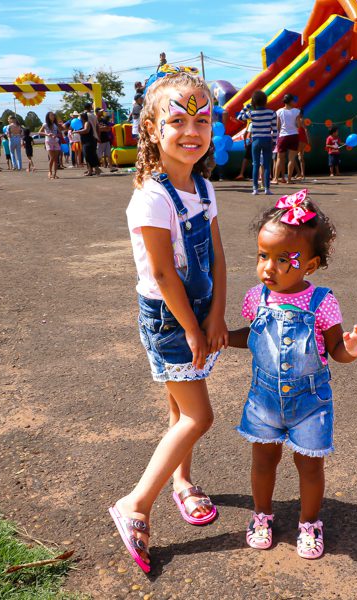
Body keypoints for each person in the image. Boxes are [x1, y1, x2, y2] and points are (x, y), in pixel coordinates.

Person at [112, 71, 227, 574]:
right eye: (177, 120)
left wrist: (217, 313)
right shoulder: (151, 197)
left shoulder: (203, 186)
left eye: (202, 119)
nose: (192, 131)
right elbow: (161, 273)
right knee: (199, 417)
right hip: (170, 317)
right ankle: (134, 503)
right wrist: (193, 328)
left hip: (198, 312)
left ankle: (182, 482)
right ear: (152, 130)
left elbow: (218, 255)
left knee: (180, 407)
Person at [226, 190, 357, 559]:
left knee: (309, 467)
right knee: (263, 462)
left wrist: (351, 351)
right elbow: (255, 336)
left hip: (311, 403)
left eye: (283, 259)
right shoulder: (254, 298)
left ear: (310, 264)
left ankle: (309, 522)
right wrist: (225, 338)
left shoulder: (322, 301)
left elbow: (335, 350)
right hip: (263, 400)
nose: (268, 268)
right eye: (263, 256)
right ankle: (261, 515)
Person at [237, 90, 276, 195]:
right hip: (267, 140)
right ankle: (267, 189)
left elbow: (239, 117)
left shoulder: (251, 113)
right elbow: (275, 129)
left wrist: (247, 106)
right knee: (267, 165)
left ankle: (255, 189)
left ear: (254, 101)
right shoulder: (271, 113)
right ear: (265, 101)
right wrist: (275, 142)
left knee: (256, 164)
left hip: (255, 140)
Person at [273, 94, 302, 184]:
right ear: (290, 101)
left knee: (279, 158)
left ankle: (276, 179)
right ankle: (289, 179)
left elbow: (278, 126)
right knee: (292, 159)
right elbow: (298, 125)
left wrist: (281, 131)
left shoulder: (279, 111)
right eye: (293, 100)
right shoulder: (297, 111)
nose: (294, 102)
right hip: (294, 135)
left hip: (283, 136)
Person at [39, 111, 62, 179]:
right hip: (49, 142)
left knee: (56, 159)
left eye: (53, 115)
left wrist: (56, 135)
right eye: (51, 115)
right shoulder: (45, 124)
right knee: (52, 158)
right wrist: (47, 134)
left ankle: (55, 173)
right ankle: (50, 172)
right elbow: (39, 132)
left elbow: (60, 134)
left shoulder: (56, 125)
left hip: (56, 142)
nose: (53, 116)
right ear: (48, 117)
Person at [79, 108, 100, 176]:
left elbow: (86, 130)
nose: (79, 119)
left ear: (83, 117)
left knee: (89, 156)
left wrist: (76, 131)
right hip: (87, 141)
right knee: (90, 156)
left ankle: (95, 169)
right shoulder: (84, 123)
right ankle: (91, 170)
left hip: (89, 142)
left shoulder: (87, 123)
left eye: (80, 117)